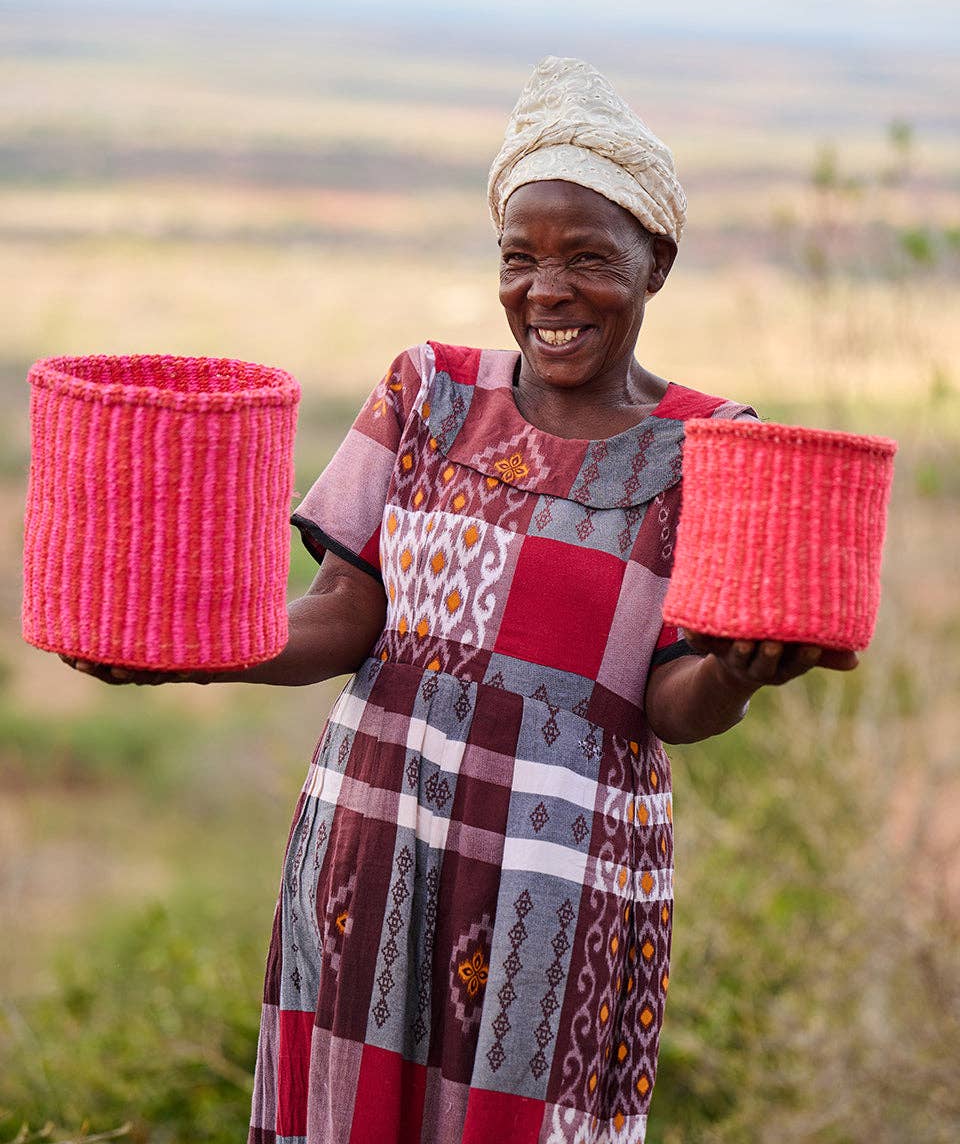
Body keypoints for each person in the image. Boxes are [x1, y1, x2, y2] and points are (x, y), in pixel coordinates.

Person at [63, 57, 857, 1144]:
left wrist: (734, 671)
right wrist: (200, 649)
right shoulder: (428, 391)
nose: (549, 292)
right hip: (375, 835)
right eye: (520, 259)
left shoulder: (709, 452)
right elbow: (347, 611)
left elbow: (671, 706)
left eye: (589, 258)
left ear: (657, 262)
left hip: (561, 877)